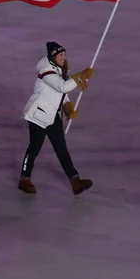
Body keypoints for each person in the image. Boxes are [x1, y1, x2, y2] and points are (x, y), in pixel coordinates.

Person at [18, 42, 94, 195]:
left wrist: (67, 107)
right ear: (53, 56)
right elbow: (62, 87)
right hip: (38, 116)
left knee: (62, 150)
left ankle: (75, 181)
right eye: (60, 55)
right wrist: (80, 76)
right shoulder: (46, 71)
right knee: (34, 148)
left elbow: (61, 94)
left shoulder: (60, 70)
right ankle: (24, 179)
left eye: (64, 54)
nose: (63, 58)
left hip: (52, 116)